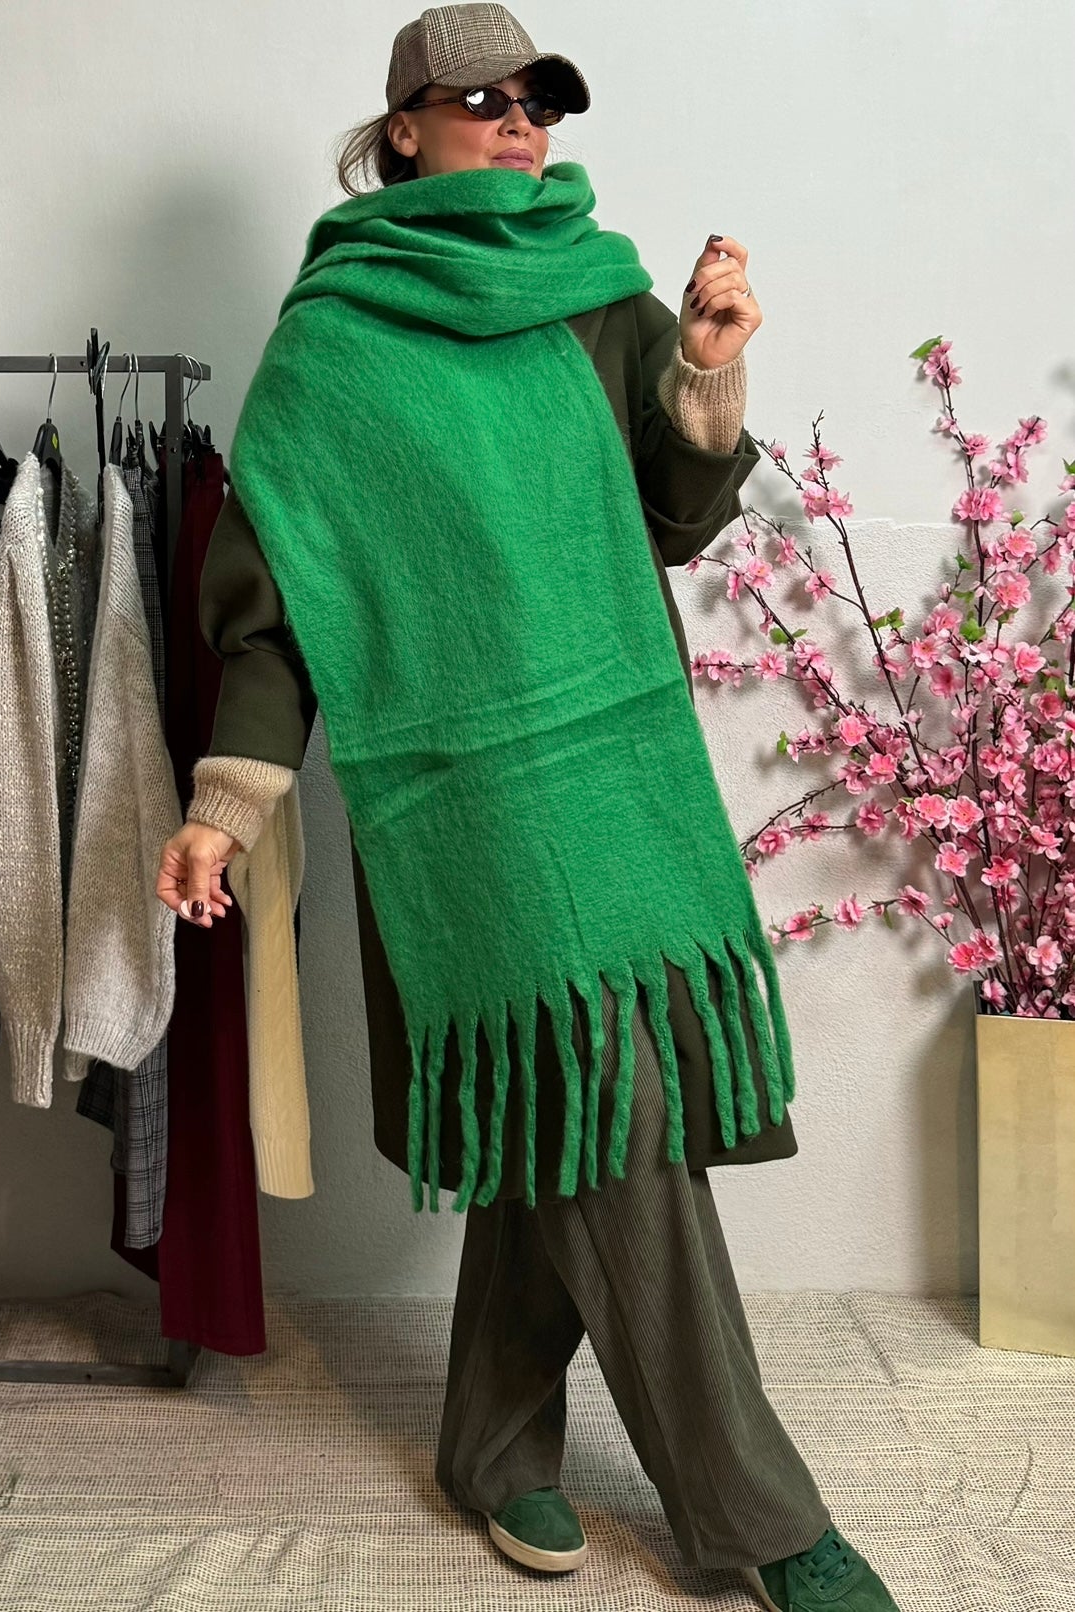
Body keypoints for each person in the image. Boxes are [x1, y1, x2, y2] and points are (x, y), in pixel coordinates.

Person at [156, 7, 902, 1609]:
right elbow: (280, 611)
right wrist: (229, 800)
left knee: (569, 1110)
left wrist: (705, 369)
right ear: (401, 130)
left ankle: (493, 1450)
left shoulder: (596, 295)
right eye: (482, 99)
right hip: (459, 807)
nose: (518, 125)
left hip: (615, 773)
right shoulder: (334, 344)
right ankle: (762, 1521)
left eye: (540, 103)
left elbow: (669, 519)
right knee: (612, 1110)